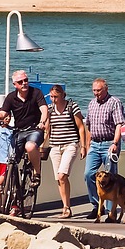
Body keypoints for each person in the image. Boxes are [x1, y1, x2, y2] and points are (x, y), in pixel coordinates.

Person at [84, 78, 125, 219]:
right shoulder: (91, 104)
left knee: (111, 177)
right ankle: (96, 205)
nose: (96, 93)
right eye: (94, 91)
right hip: (95, 144)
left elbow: (119, 124)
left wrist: (115, 143)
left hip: (109, 143)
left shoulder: (114, 102)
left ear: (105, 89)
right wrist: (87, 144)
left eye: (99, 90)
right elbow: (88, 126)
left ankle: (110, 212)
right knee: (89, 174)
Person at [0, 69, 48, 180]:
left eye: (26, 80)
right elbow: (3, 112)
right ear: (15, 85)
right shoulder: (11, 97)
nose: (24, 83)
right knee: (13, 158)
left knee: (30, 146)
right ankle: (13, 188)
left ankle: (37, 172)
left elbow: (44, 109)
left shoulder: (36, 93)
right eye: (20, 82)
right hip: (19, 131)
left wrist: (42, 122)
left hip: (34, 130)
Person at [46, 84, 88, 219]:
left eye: (56, 97)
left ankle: (67, 208)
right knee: (59, 178)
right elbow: (48, 129)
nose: (53, 100)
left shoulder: (72, 106)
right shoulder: (50, 109)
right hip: (54, 146)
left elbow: (81, 127)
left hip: (70, 144)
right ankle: (66, 206)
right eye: (51, 97)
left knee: (62, 175)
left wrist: (83, 146)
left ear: (62, 95)